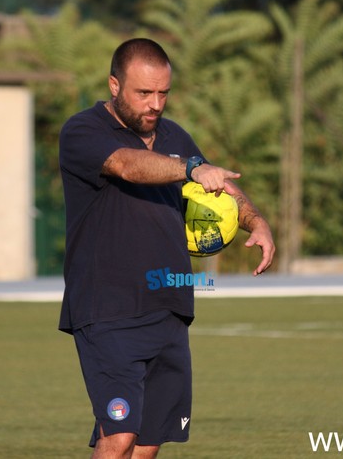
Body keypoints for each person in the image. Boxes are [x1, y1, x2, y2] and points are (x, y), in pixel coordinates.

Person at [58, 37, 275, 458]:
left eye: (163, 93)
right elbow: (128, 166)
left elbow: (220, 187)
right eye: (144, 93)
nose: (155, 104)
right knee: (118, 437)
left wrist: (256, 221)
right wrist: (192, 168)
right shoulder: (82, 130)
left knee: (147, 445)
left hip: (169, 305)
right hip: (107, 309)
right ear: (115, 85)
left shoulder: (175, 135)